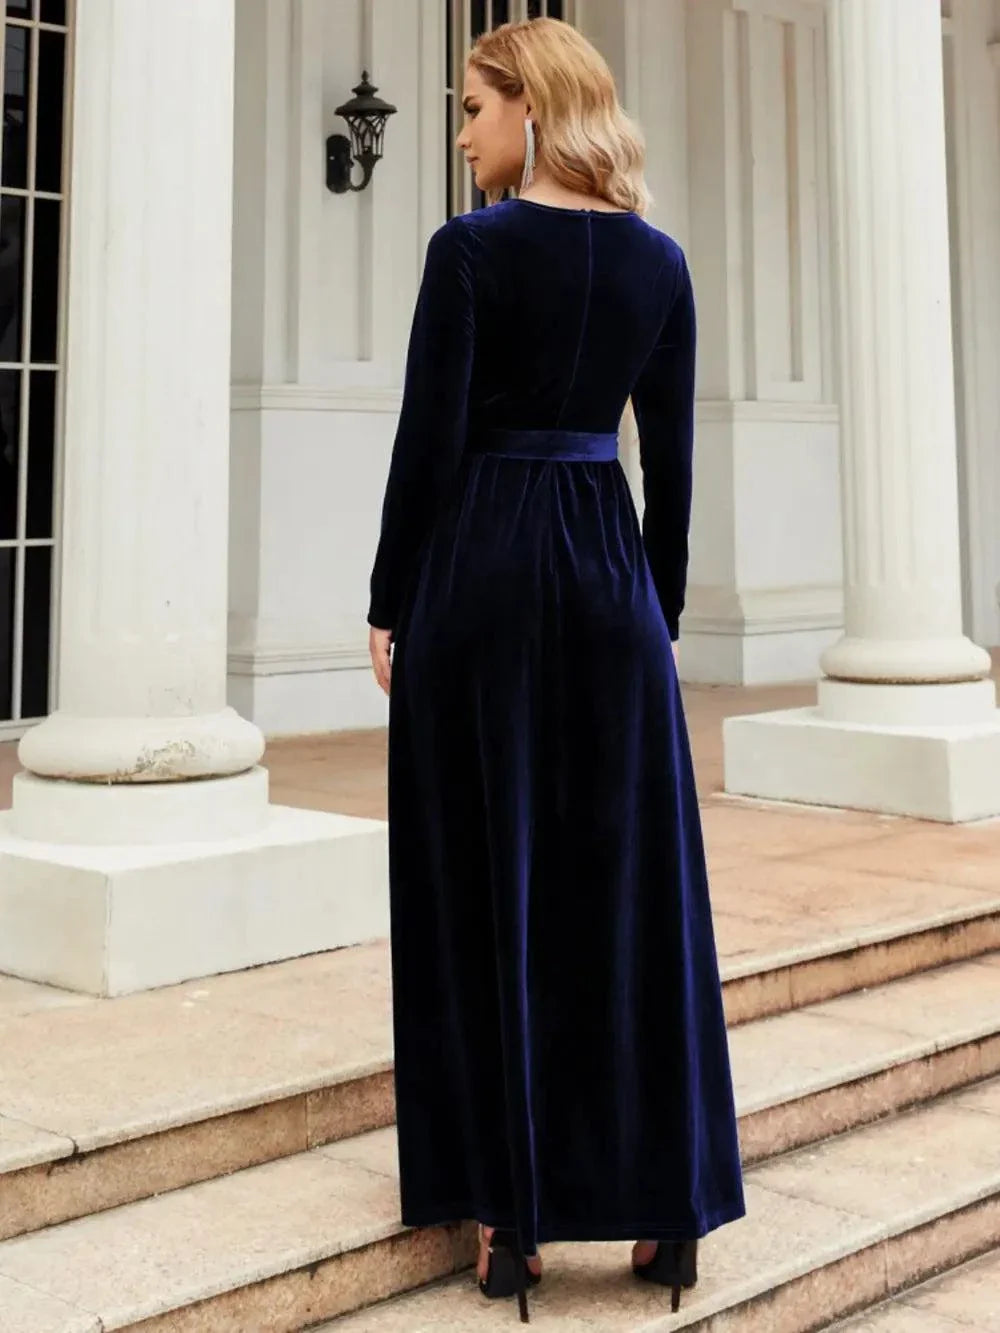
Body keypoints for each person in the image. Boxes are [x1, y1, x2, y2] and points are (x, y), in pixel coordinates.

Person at [367, 16, 745, 1324]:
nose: (461, 131)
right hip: (613, 577)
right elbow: (675, 468)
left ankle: (510, 1220)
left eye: (473, 107)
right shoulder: (662, 264)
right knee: (632, 888)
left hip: (480, 567)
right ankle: (668, 1208)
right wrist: (663, 606)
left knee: (486, 879)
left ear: (531, 110)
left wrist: (386, 600)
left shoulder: (467, 255)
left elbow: (430, 440)